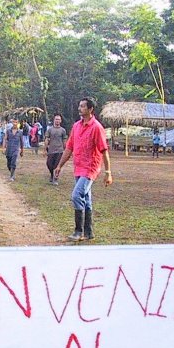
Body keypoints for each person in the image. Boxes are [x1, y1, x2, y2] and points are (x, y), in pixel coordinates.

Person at [54, 98, 113, 241]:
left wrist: (108, 173)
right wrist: (59, 165)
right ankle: (88, 232)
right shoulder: (76, 126)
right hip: (78, 167)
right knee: (86, 199)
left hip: (90, 168)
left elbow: (104, 151)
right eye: (79, 106)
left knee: (76, 196)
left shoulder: (96, 127)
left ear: (90, 109)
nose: (79, 108)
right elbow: (69, 148)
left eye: (83, 106)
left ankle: (78, 231)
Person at [45, 114, 67, 184]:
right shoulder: (50, 130)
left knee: (57, 165)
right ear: (54, 120)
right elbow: (46, 139)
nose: (57, 121)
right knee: (49, 164)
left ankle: (55, 179)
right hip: (51, 150)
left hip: (59, 150)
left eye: (58, 119)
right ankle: (52, 175)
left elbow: (64, 140)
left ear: (60, 121)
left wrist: (65, 149)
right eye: (56, 119)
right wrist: (45, 149)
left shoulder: (63, 130)